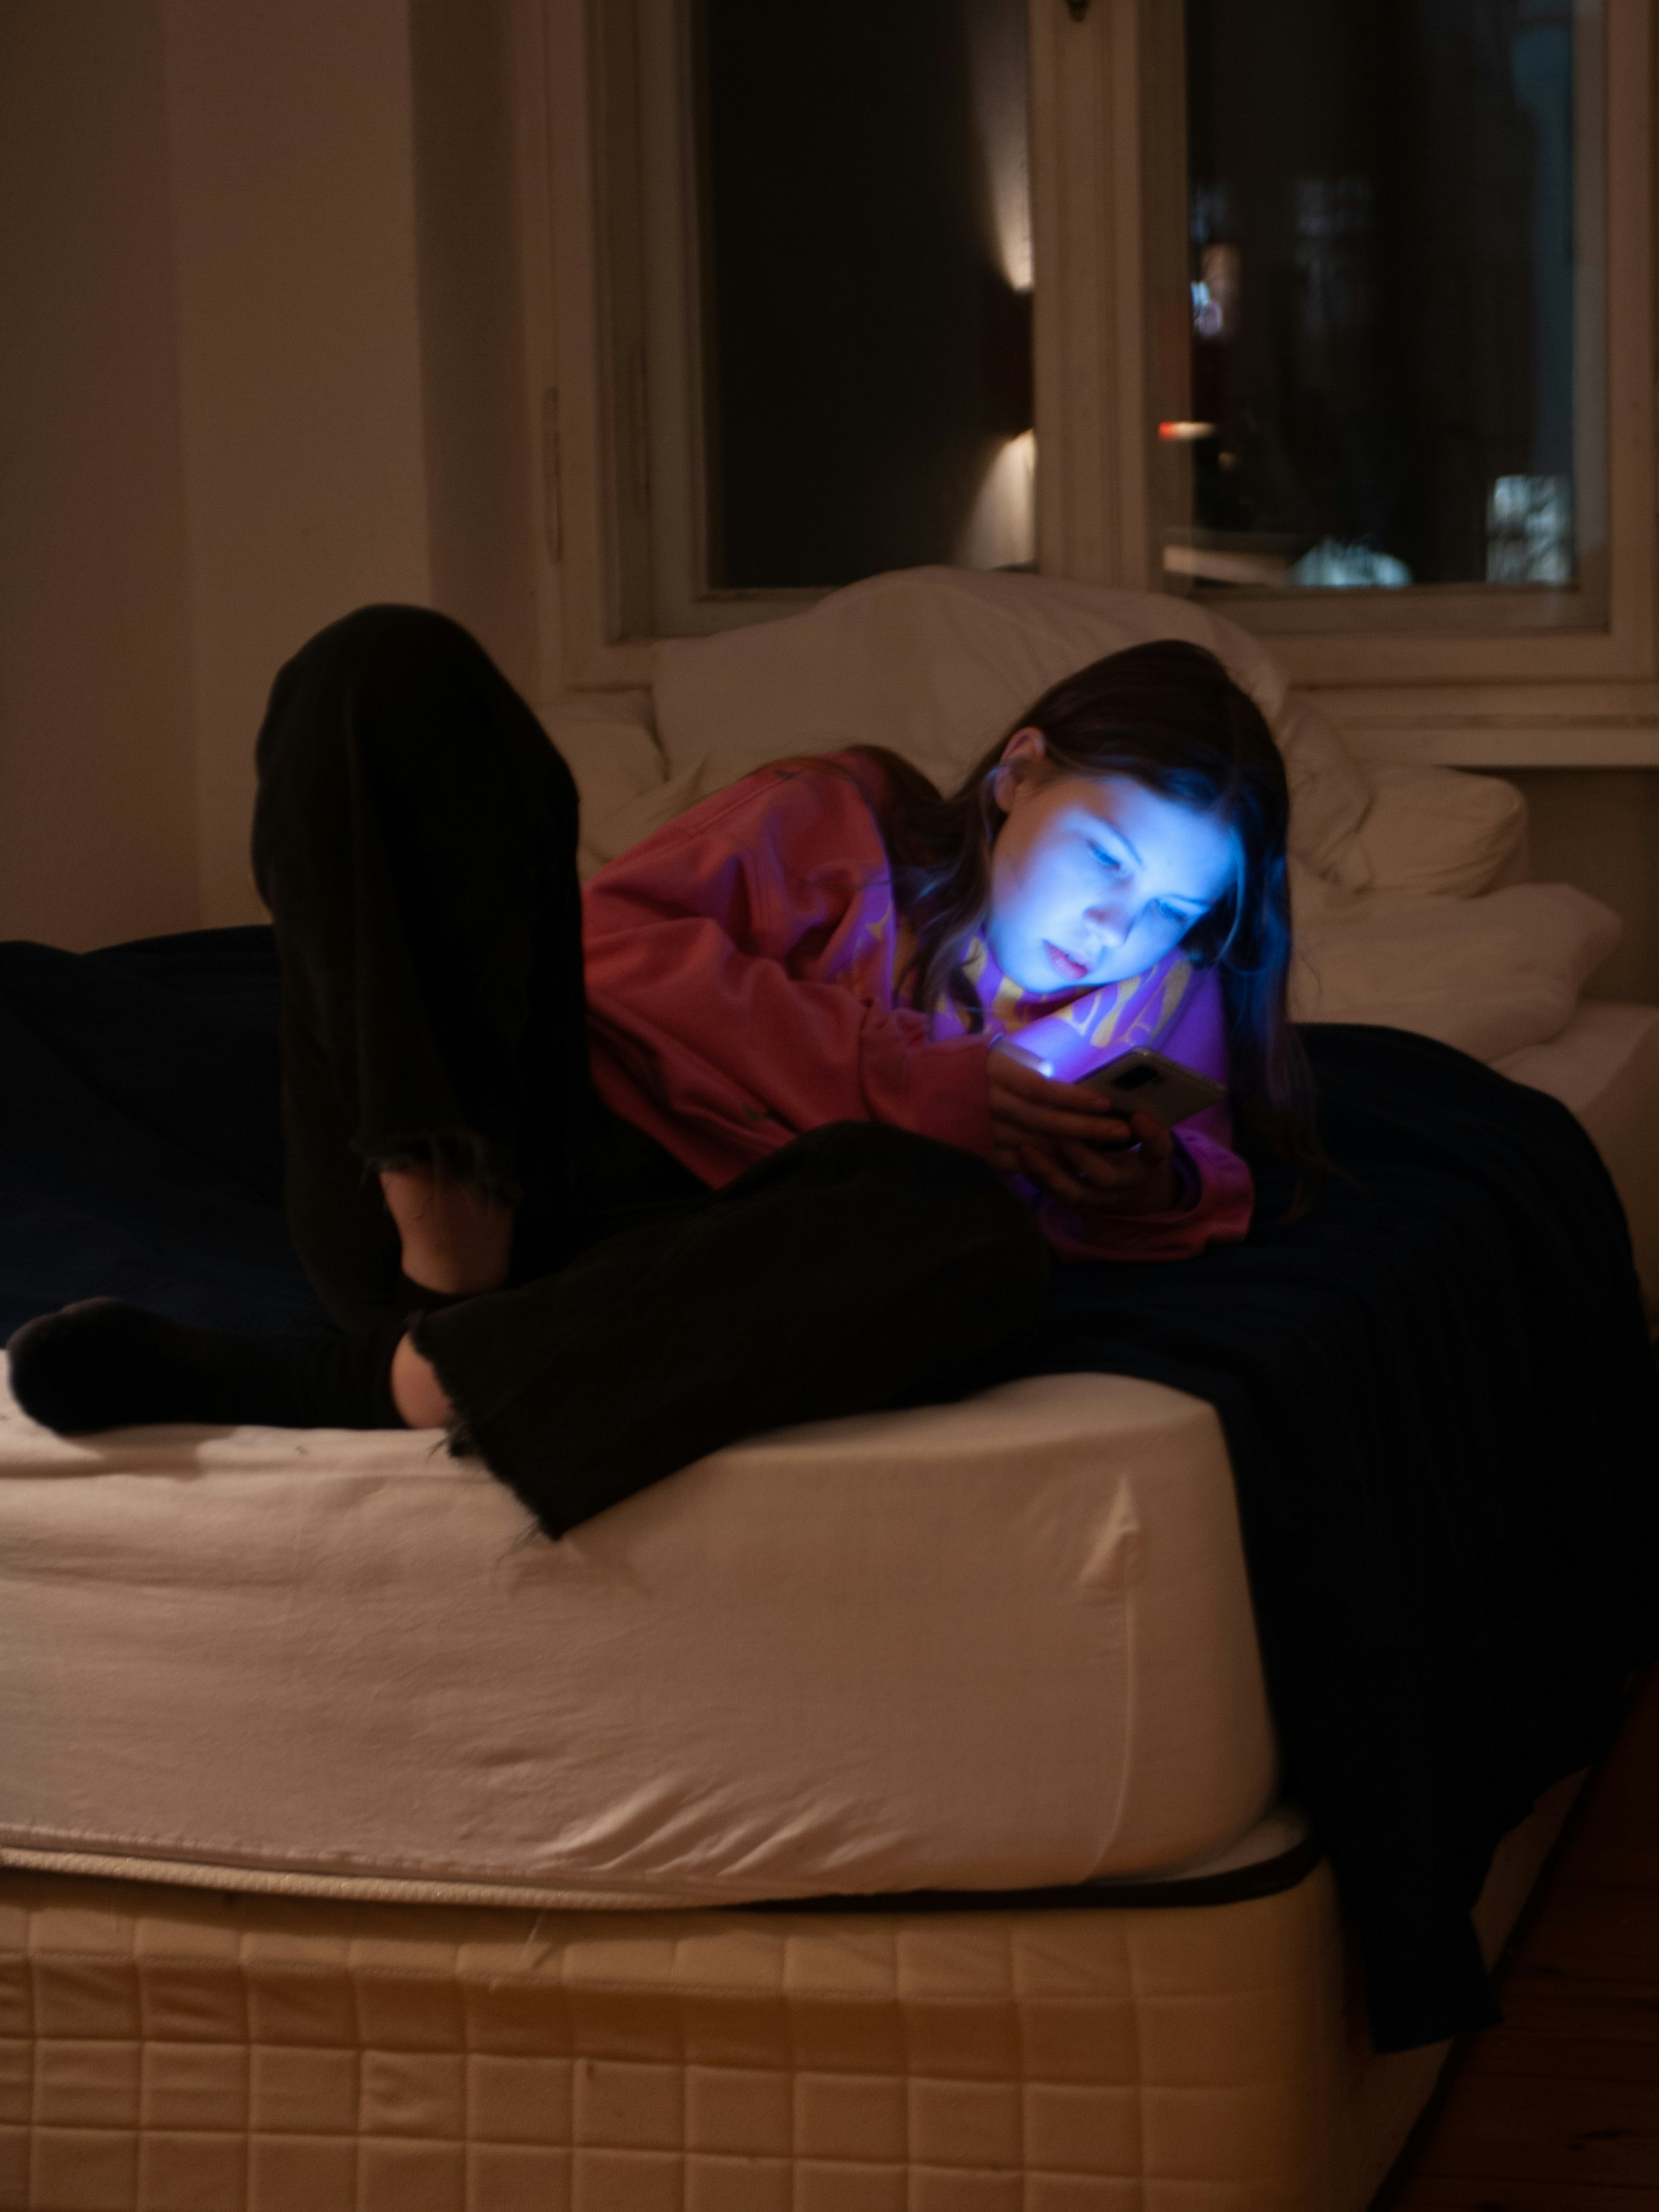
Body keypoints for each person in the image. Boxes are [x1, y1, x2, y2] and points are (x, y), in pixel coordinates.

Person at [7, 607, 1316, 1536]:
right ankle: (443, 1251)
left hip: (691, 1270)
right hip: (523, 1154)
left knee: (973, 1241)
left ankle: (377, 1379)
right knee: (387, 671)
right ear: (1018, 775)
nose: (1119, 926)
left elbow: (1207, 1181)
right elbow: (609, 950)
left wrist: (1127, 1170)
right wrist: (921, 1079)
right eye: (1106, 861)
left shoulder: (1153, 996)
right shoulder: (840, 819)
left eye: (1170, 911)